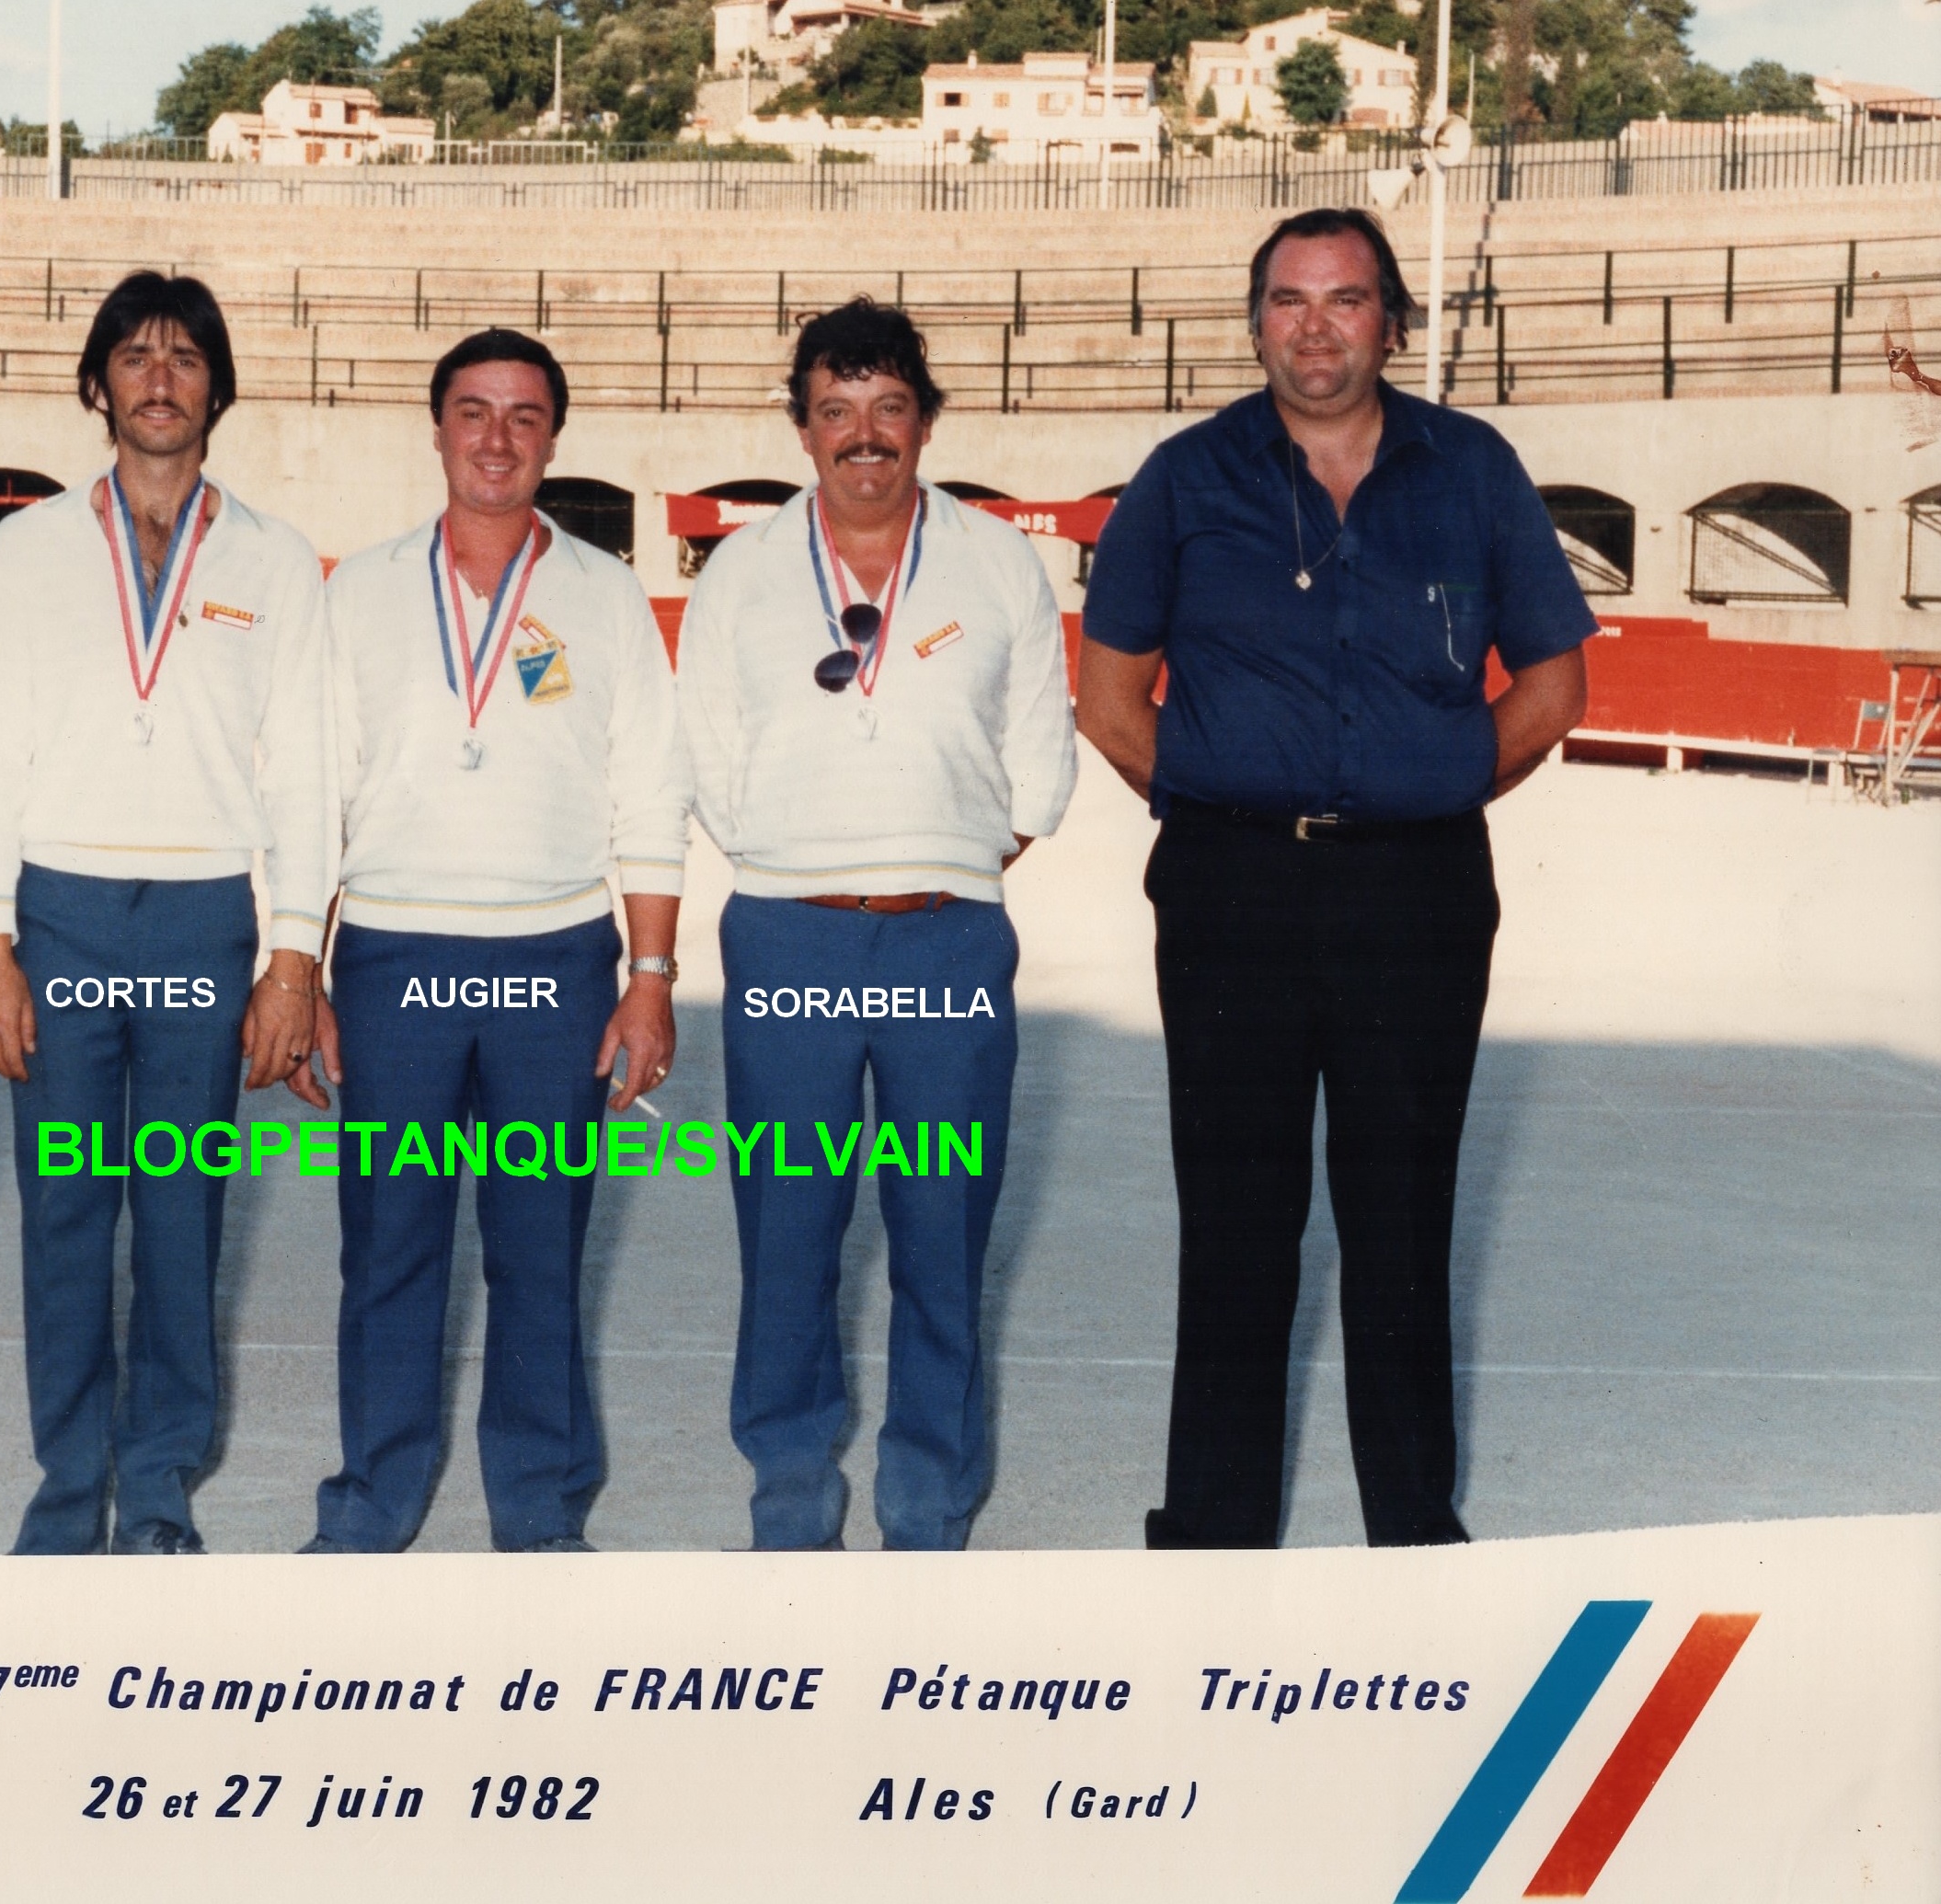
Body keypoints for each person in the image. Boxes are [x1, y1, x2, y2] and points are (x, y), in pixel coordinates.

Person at [1076, 207, 1593, 1550]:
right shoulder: (1182, 480)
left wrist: (1431, 786)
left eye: (1346, 299)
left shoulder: (1474, 471)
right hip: (1232, 891)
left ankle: (1412, 1536)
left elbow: (1554, 684)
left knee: (1403, 1221)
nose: (1316, 327)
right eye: (1289, 300)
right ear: (1255, 325)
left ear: (1393, 323)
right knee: (1235, 1224)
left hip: (1419, 898)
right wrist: (1223, 804)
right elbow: (1110, 700)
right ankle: (1214, 1538)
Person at [676, 298, 1078, 1551]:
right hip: (788, 936)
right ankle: (789, 1491)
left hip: (948, 937)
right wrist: (805, 859)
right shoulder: (742, 570)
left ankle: (928, 1501)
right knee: (788, 1231)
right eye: (837, 410)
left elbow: (1039, 755)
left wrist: (939, 858)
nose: (865, 435)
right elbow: (708, 757)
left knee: (941, 1232)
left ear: (926, 422)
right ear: (803, 428)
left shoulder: (997, 560)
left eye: (889, 408)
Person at [0, 272, 333, 1556]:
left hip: (200, 920)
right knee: (65, 1213)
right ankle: (69, 1487)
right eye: (135, 356)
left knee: (178, 1214)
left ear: (218, 387)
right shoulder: (28, 549)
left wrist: (292, 958)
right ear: (98, 384)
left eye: (185, 357)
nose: (160, 378)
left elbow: (306, 769)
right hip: (59, 912)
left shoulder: (276, 559)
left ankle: (160, 1481)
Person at [296, 329, 689, 1554]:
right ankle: (372, 1504)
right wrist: (298, 970)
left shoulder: (605, 595)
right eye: (474, 411)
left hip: (555, 961)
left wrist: (650, 977)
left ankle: (539, 1509)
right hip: (394, 958)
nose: (498, 437)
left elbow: (650, 793)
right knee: (389, 1251)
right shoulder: (360, 591)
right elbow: (312, 793)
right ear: (437, 430)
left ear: (553, 439)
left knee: (539, 1254)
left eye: (524, 415)